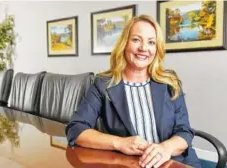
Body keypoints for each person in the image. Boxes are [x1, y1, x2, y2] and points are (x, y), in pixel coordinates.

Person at [65, 14, 201, 168]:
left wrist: (165, 148)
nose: (144, 48)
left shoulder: (169, 82)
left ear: (157, 49)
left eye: (151, 42)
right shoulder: (103, 84)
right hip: (130, 164)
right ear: (125, 43)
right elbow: (76, 129)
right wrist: (119, 143)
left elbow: (184, 131)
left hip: (174, 162)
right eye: (136, 40)